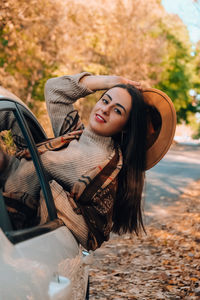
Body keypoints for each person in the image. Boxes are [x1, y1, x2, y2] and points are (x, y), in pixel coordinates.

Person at [0, 72, 176, 251]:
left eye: (117, 110)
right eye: (105, 100)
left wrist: (7, 163)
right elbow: (54, 90)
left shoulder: (97, 160)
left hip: (13, 226)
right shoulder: (75, 135)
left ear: (125, 126)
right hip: (15, 208)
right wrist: (112, 81)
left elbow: (38, 166)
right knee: (10, 114)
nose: (105, 110)